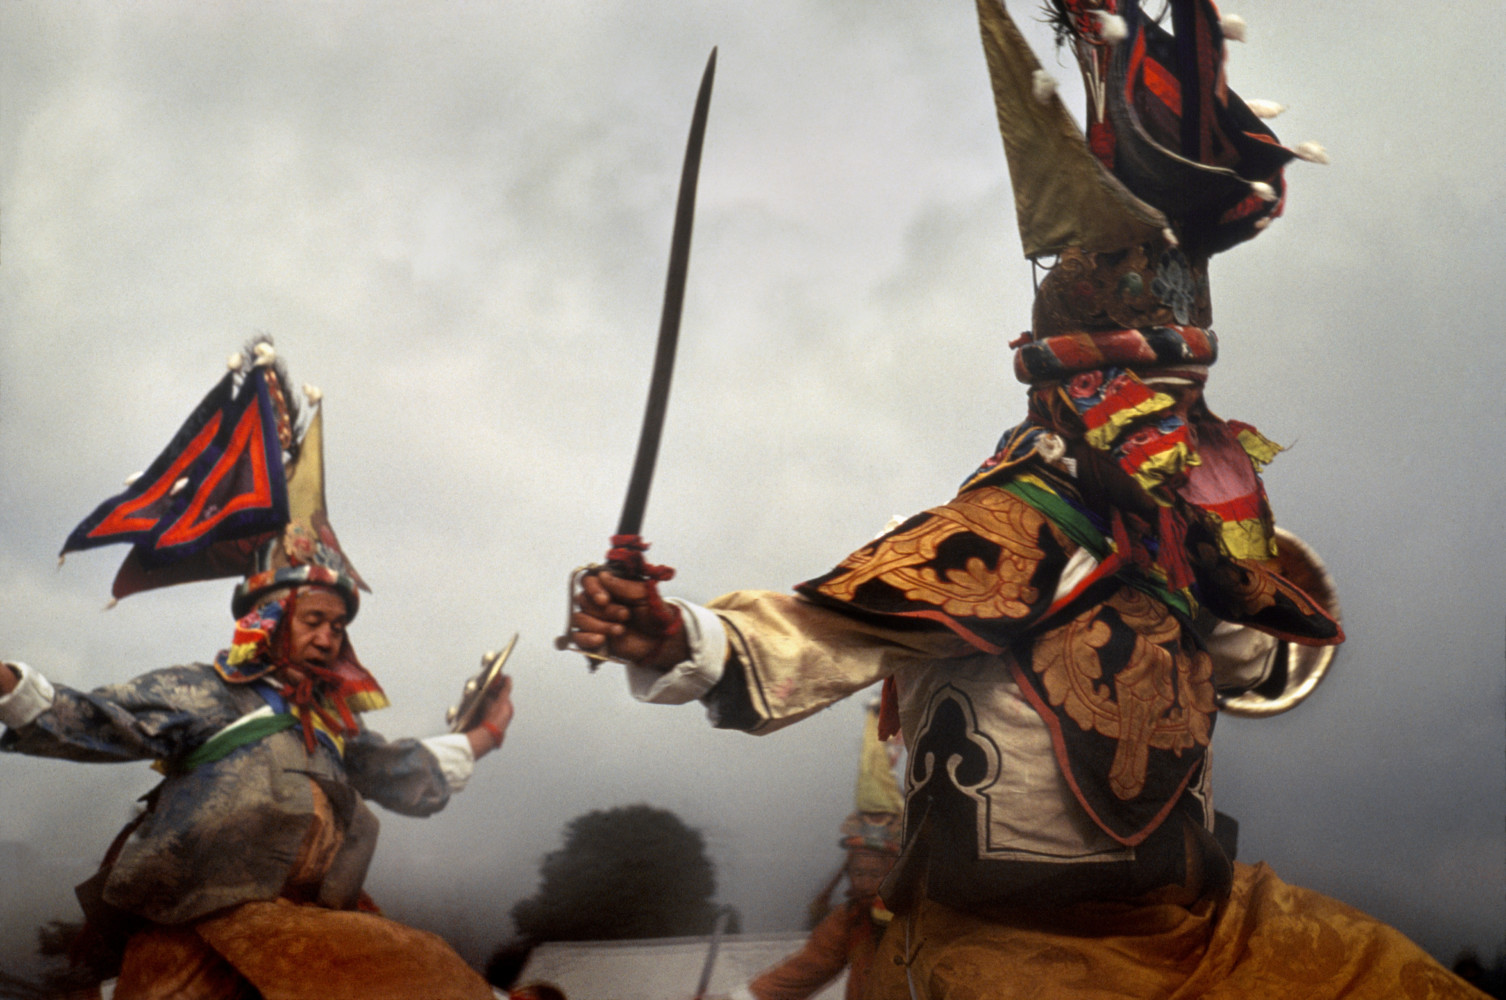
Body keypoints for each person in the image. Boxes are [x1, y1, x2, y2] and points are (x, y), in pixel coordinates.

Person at [568, 2, 1489, 997]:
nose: (1176, 426)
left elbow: (1263, 665)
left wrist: (1233, 572)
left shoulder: (1187, 543)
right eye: (1150, 397)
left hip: (1197, 926)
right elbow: (805, 639)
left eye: (1186, 399)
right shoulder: (993, 536)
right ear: (1074, 393)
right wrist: (668, 633)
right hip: (1012, 945)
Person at [1, 340, 510, 1000]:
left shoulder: (331, 726)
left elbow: (398, 771)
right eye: (315, 620)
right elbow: (98, 720)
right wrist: (8, 682)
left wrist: (485, 735)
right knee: (420, 968)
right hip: (203, 942)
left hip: (303, 940)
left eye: (338, 626)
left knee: (417, 965)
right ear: (271, 619)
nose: (329, 637)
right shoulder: (207, 693)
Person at [736, 702, 902, 1000]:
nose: (864, 882)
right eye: (858, 872)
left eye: (875, 873)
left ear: (895, 871)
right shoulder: (851, 919)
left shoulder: (926, 919)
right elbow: (805, 970)